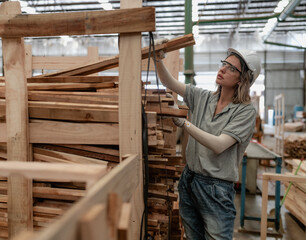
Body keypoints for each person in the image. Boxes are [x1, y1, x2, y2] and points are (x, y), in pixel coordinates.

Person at [155, 47, 261, 240]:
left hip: (216, 188)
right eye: (224, 64)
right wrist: (158, 58)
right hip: (189, 179)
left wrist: (184, 122)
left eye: (231, 68)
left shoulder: (245, 111)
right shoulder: (204, 97)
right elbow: (168, 82)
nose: (222, 69)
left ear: (242, 79)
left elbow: (219, 145)